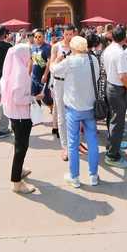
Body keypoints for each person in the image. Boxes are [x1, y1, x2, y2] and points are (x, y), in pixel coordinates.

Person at [51, 36, 100, 187]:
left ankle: (74, 176)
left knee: (73, 141)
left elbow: (54, 71)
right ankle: (93, 175)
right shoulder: (94, 60)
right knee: (92, 140)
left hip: (73, 107)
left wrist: (56, 61)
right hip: (90, 105)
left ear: (73, 48)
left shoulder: (70, 61)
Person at [0, 43, 36, 194]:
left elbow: (2, 88)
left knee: (19, 145)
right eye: (28, 52)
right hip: (21, 115)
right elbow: (19, 98)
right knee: (21, 147)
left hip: (13, 114)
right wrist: (33, 97)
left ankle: (19, 170)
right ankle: (16, 182)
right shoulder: (20, 72)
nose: (30, 55)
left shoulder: (10, 69)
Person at [102, 26, 127, 168]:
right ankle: (112, 155)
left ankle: (111, 147)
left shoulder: (108, 50)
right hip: (117, 87)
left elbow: (106, 69)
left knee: (112, 119)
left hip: (109, 85)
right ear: (124, 38)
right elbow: (122, 75)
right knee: (117, 122)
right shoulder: (121, 53)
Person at [50, 24, 76, 160]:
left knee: (74, 112)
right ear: (63, 33)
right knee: (61, 113)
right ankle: (65, 146)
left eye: (71, 34)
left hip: (72, 82)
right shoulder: (56, 46)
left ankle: (75, 142)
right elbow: (51, 67)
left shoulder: (76, 46)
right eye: (66, 34)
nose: (69, 37)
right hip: (59, 82)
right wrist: (58, 60)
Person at [29, 29, 53, 119]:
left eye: (39, 36)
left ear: (44, 37)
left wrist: (45, 75)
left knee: (46, 98)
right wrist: (28, 74)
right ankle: (37, 117)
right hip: (34, 78)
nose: (37, 38)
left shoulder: (47, 47)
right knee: (34, 97)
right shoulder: (34, 48)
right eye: (36, 37)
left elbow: (49, 62)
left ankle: (52, 109)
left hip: (44, 78)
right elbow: (31, 61)